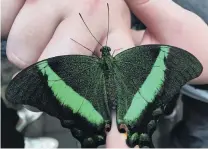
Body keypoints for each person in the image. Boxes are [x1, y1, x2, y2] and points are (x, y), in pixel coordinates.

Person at [1, 0, 208, 148]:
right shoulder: (138, 57)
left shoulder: (85, 63)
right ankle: (143, 120)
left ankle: (112, 125)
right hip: (136, 98)